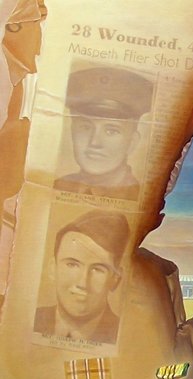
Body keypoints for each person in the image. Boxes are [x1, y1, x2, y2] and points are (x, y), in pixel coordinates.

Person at [54, 66, 153, 201]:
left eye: (111, 131)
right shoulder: (58, 186)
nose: (95, 142)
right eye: (86, 128)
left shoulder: (140, 197)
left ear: (132, 142)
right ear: (72, 132)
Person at [34, 210, 130, 344]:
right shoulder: (25, 321)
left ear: (115, 279)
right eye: (72, 265)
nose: (82, 283)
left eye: (97, 269)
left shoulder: (128, 338)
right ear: (52, 269)